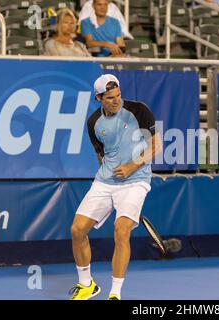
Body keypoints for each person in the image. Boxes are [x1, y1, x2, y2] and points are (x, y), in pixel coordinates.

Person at [69, 74, 162, 300]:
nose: (116, 100)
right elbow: (100, 154)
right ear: (99, 97)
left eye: (118, 95)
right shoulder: (93, 122)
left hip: (136, 180)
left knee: (121, 231)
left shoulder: (139, 110)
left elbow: (156, 145)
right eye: (110, 97)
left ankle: (115, 293)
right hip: (105, 181)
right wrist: (108, 177)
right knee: (77, 230)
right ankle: (87, 285)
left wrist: (131, 166)